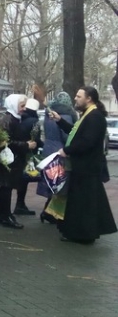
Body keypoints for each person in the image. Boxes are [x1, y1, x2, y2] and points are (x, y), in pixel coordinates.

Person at [46, 87, 116, 243]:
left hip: (86, 167)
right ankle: (81, 233)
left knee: (85, 204)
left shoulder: (94, 117)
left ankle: (83, 235)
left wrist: (67, 150)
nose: (75, 98)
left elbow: (86, 142)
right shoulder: (88, 115)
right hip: (83, 167)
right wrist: (60, 120)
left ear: (89, 98)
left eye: (79, 96)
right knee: (84, 202)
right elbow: (75, 133)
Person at [0, 94, 37, 229]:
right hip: (8, 159)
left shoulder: (14, 119)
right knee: (6, 187)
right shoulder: (8, 120)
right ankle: (3, 215)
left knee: (7, 187)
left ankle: (4, 213)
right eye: (22, 106)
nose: (24, 109)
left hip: (12, 159)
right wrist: (25, 145)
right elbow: (5, 141)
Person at [37, 92, 76, 223]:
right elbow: (67, 136)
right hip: (60, 152)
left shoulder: (49, 115)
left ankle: (48, 213)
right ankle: (50, 213)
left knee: (51, 182)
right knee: (60, 184)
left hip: (48, 150)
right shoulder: (67, 116)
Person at [14, 98, 42, 216]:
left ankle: (19, 204)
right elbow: (35, 138)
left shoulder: (20, 119)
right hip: (28, 152)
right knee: (27, 177)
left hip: (18, 151)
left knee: (22, 179)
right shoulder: (34, 121)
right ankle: (20, 205)